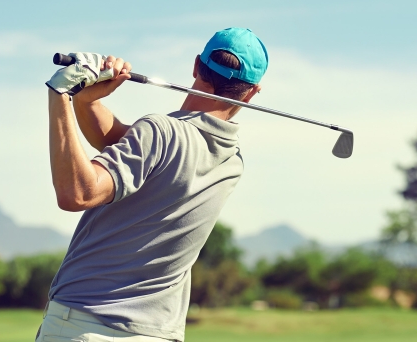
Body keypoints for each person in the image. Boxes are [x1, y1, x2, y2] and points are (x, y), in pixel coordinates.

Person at [39, 27, 268, 342]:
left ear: (196, 66)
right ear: (252, 92)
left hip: (87, 325)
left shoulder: (160, 132)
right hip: (158, 334)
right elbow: (121, 144)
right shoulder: (232, 161)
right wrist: (87, 99)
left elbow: (77, 192)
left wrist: (61, 94)